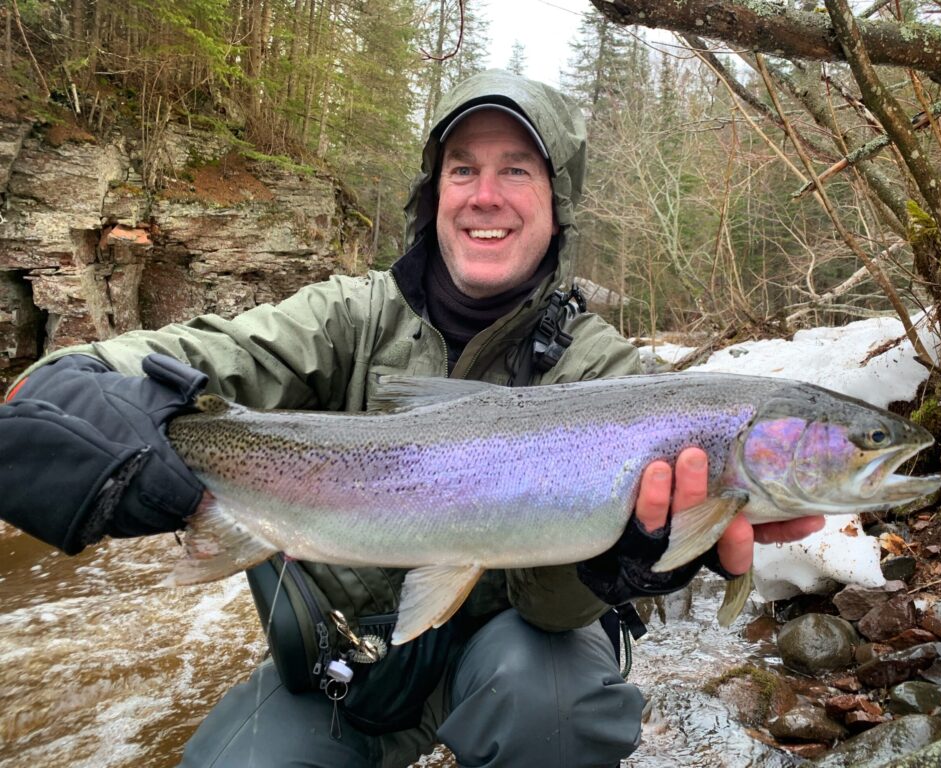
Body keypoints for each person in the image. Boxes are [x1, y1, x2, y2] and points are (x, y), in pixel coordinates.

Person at [0, 70, 823, 767]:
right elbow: (150, 362)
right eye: (462, 170)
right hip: (348, 669)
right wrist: (82, 397)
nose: (485, 196)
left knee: (555, 705)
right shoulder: (347, 317)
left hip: (519, 662)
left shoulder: (606, 374)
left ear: (557, 202)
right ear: (433, 195)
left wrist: (637, 566)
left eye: (517, 171)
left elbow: (553, 616)